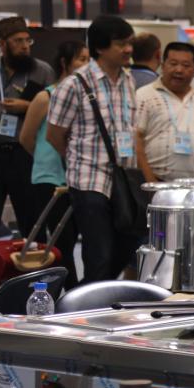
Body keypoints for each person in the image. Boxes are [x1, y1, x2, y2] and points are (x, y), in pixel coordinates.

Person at [46, 16, 139, 284]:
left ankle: (89, 294)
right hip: (88, 179)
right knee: (99, 254)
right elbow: (54, 135)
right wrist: (78, 160)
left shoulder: (128, 80)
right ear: (100, 47)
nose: (128, 49)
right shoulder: (74, 84)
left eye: (130, 43)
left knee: (127, 246)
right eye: (121, 44)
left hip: (123, 179)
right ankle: (90, 305)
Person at [20, 41, 88, 288]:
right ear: (65, 62)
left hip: (79, 177)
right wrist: (45, 157)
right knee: (62, 242)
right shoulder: (44, 97)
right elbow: (26, 138)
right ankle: (70, 291)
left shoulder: (87, 97)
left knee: (80, 239)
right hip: (49, 177)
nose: (86, 65)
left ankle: (77, 289)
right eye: (81, 59)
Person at [0, 16, 55, 237]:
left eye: (27, 40)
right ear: (2, 44)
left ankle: (34, 258)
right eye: (18, 41)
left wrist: (28, 107)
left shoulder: (42, 71)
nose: (25, 46)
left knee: (32, 221)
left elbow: (56, 109)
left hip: (26, 154)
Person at [135, 42, 194, 183]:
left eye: (186, 65)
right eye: (173, 64)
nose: (179, 70)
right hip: (156, 182)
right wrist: (151, 183)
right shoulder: (144, 95)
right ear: (162, 66)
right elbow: (136, 140)